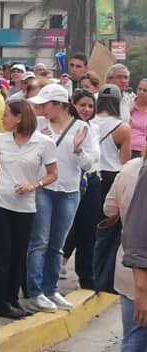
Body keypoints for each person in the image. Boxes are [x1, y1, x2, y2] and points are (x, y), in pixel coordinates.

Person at [25, 83, 99, 313]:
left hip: (69, 191)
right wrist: (38, 140)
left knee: (57, 244)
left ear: (59, 105)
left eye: (45, 105)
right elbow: (26, 156)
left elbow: (90, 165)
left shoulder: (83, 128)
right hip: (43, 189)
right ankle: (35, 292)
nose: (42, 110)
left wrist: (78, 150)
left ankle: (51, 289)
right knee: (39, 241)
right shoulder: (38, 126)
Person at [0, 99, 58, 319]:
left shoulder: (44, 143)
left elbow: (53, 174)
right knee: (1, 254)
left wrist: (33, 185)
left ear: (19, 117)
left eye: (7, 114)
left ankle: (13, 298)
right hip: (0, 202)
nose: (3, 118)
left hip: (25, 206)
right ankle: (1, 302)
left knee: (18, 255)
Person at [105, 153, 147, 352]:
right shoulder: (138, 171)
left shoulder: (129, 168)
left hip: (128, 275)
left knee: (131, 350)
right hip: (140, 277)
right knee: (133, 350)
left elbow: (108, 209)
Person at [61, 89, 104, 290]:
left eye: (90, 105)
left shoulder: (91, 129)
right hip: (62, 183)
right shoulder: (62, 125)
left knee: (88, 231)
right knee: (59, 232)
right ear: (72, 104)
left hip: (89, 183)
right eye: (82, 105)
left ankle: (86, 276)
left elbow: (91, 161)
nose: (86, 109)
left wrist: (78, 150)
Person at [95, 84, 134, 295]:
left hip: (91, 176)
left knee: (88, 229)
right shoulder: (122, 127)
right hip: (112, 177)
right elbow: (125, 161)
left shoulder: (88, 122)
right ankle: (104, 278)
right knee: (109, 231)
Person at [128, 79, 147, 156]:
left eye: (145, 90)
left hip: (142, 151)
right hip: (124, 146)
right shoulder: (128, 104)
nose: (141, 92)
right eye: (139, 89)